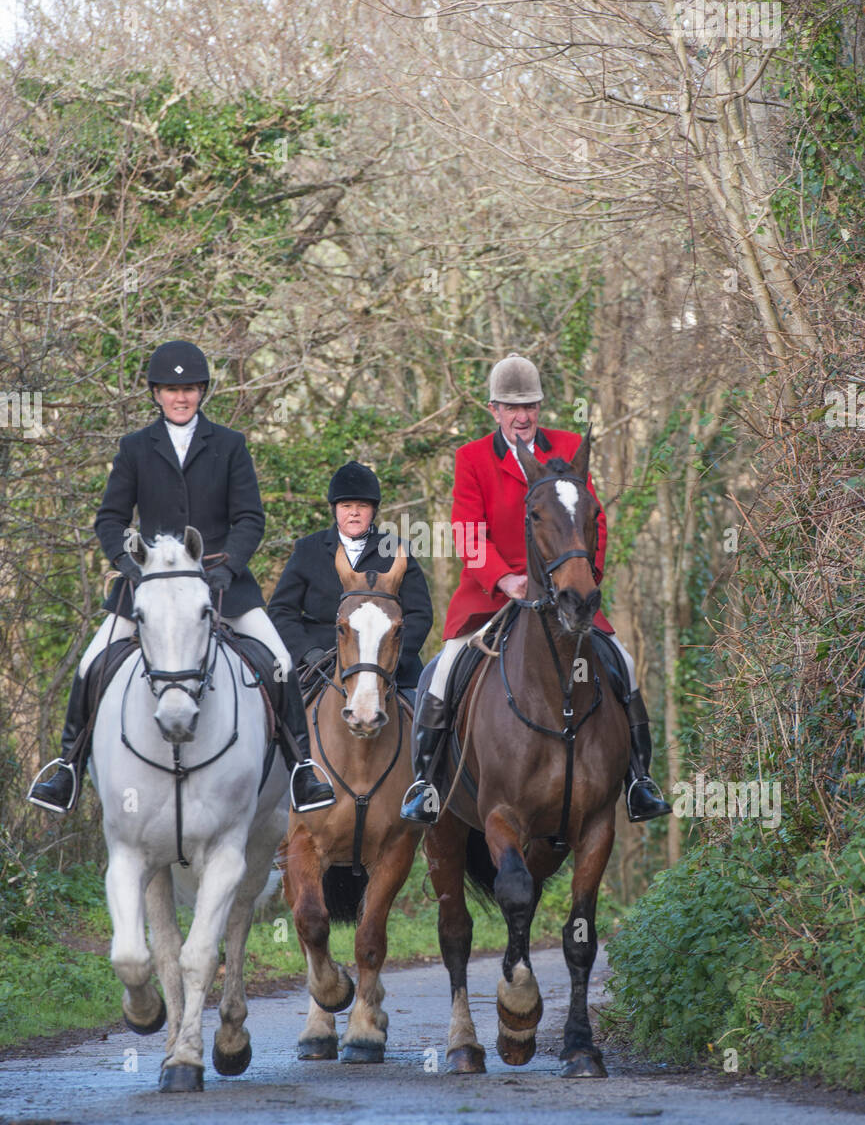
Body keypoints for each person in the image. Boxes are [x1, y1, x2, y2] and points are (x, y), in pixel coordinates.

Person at [28, 340, 335, 815]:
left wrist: (228, 567)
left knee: (279, 661)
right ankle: (66, 768)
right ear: (155, 393)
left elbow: (250, 518)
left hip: (222, 584)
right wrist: (130, 566)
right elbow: (110, 519)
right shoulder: (134, 448)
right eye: (172, 389)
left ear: (201, 392)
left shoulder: (230, 445)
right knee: (91, 666)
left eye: (189, 388)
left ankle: (302, 770)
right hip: (150, 587)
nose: (181, 397)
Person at [400, 353, 672, 824]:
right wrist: (506, 578)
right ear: (493, 410)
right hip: (490, 597)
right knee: (441, 674)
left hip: (564, 593)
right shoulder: (472, 458)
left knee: (622, 664)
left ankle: (639, 781)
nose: (521, 416)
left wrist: (583, 577)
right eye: (511, 407)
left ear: (540, 407)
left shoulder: (568, 447)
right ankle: (424, 783)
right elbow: (466, 529)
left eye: (529, 406)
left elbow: (594, 520)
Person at [268, 461, 433, 712]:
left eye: (362, 506)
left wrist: (393, 658)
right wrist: (308, 652)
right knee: (277, 717)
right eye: (346, 506)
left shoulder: (397, 550)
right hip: (319, 664)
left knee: (427, 715)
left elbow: (420, 614)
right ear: (335, 510)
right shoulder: (307, 550)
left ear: (373, 511)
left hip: (388, 665)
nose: (354, 513)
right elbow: (281, 611)